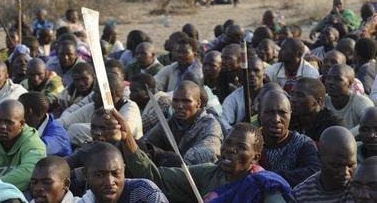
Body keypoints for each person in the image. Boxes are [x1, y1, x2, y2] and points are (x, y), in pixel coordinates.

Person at [107, 110, 292, 203]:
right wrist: (128, 139)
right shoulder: (208, 173)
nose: (231, 150)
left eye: (241, 147)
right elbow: (157, 177)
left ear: (255, 158)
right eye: (227, 143)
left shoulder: (264, 186)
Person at [142, 80, 223, 165]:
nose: (180, 106)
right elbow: (144, 143)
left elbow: (206, 153)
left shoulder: (210, 125)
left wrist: (166, 158)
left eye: (186, 101)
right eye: (176, 100)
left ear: (198, 103)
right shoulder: (169, 123)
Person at [59, 73, 142, 146]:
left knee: (75, 130)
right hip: (101, 154)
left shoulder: (130, 108)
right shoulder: (95, 106)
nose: (92, 96)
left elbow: (122, 133)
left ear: (111, 95)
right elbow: (63, 123)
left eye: (97, 93)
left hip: (126, 157)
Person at [259, 90, 320, 187]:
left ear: (290, 114)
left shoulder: (303, 143)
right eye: (269, 112)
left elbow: (314, 172)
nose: (276, 119)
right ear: (259, 113)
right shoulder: (250, 143)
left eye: (282, 113)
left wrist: (268, 177)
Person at [81, 141, 169, 203]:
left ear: (124, 169)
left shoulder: (145, 193)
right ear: (86, 175)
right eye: (100, 175)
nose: (109, 182)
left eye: (116, 173)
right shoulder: (85, 200)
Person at [293, 126, 357, 202]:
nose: (345, 172)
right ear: (319, 158)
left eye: (350, 165)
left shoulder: (364, 188)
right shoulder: (301, 195)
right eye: (336, 166)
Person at [289, 78, 345, 142]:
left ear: (318, 101)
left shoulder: (333, 125)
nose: (293, 99)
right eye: (292, 94)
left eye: (300, 95)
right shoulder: (289, 118)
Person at [324, 64, 374, 134]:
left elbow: (370, 121)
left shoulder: (361, 102)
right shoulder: (323, 100)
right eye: (328, 78)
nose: (330, 82)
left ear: (350, 83)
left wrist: (343, 137)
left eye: (338, 79)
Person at [18, 92, 71, 157]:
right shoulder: (29, 125)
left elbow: (36, 149)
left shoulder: (58, 135)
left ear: (28, 111)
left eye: (18, 109)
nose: (14, 112)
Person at [221, 56, 265, 132]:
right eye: (248, 71)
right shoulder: (232, 99)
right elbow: (224, 125)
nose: (252, 74)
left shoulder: (273, 95)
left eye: (256, 70)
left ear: (264, 74)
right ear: (242, 74)